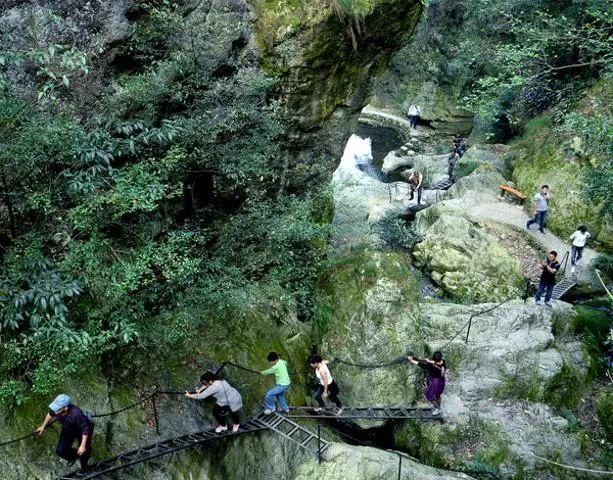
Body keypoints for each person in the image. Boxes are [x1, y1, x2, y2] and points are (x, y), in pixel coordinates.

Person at [36, 394, 94, 471]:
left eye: (57, 408)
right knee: (61, 451)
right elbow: (50, 414)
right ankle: (74, 457)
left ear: (65, 408)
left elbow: (85, 429)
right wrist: (43, 426)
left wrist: (82, 446)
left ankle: (85, 468)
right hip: (68, 428)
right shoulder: (57, 410)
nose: (55, 410)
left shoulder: (76, 414)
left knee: (84, 449)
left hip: (82, 430)